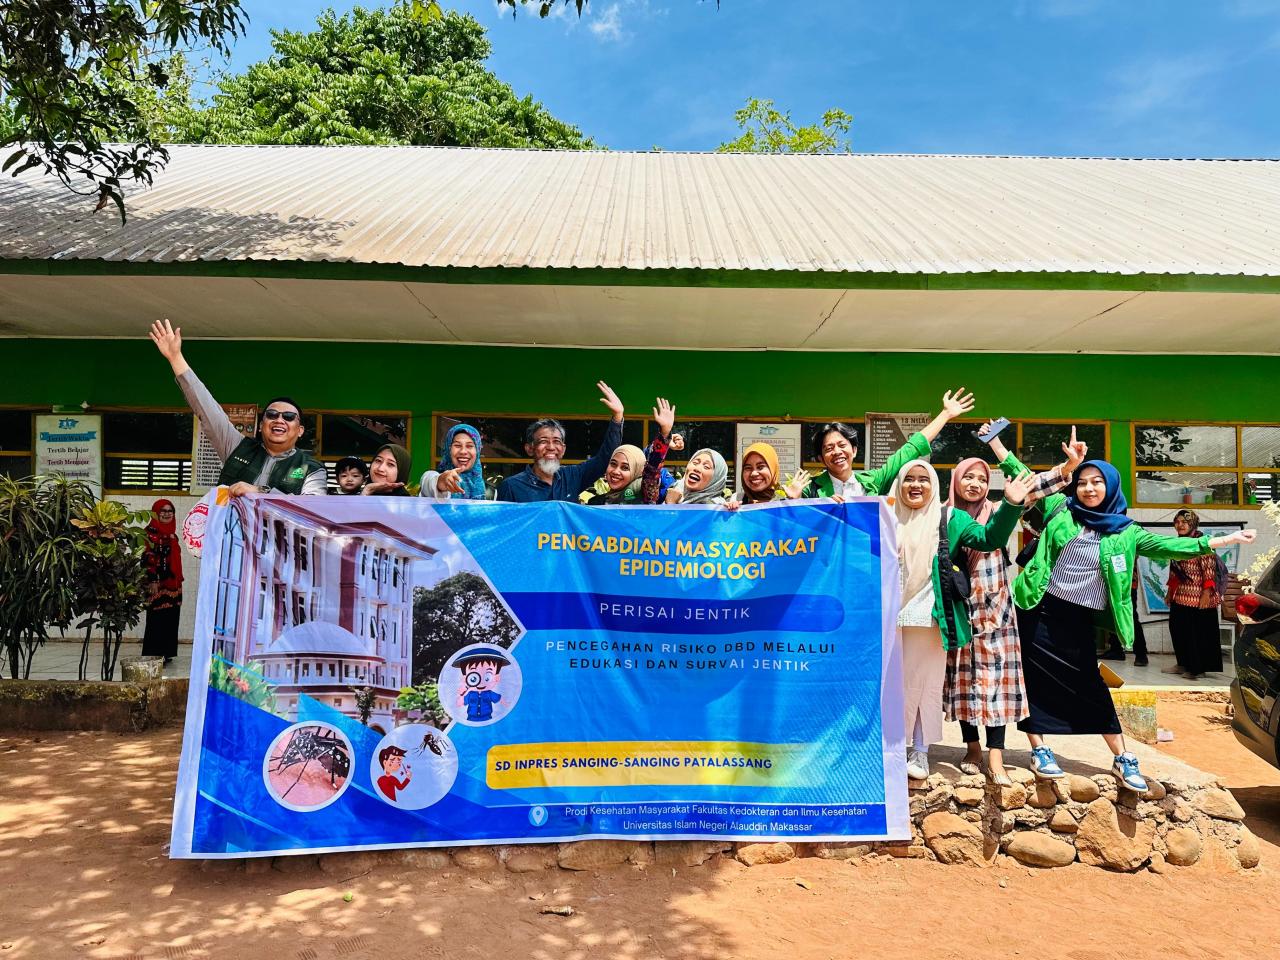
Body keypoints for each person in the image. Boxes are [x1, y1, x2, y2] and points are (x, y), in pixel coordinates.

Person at [1010, 459, 1256, 792]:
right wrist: (997, 442)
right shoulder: (1060, 510)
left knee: (1092, 686)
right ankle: (1039, 750)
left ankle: (1122, 758)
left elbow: (1170, 546)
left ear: (1110, 486)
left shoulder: (1127, 531)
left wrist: (1226, 541)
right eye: (1082, 482)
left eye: (1097, 482)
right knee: (1033, 683)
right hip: (1039, 611)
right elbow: (1023, 478)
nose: (1089, 488)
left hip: (1080, 619)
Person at [944, 426, 1085, 784]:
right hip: (958, 608)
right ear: (956, 481)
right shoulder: (943, 515)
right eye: (968, 477)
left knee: (998, 679)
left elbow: (1029, 486)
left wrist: (1066, 468)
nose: (974, 483)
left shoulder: (998, 508)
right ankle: (971, 745)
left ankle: (996, 755)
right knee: (964, 678)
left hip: (996, 606)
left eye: (980, 477)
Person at [892, 459, 1035, 781]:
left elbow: (988, 539)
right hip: (886, 618)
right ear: (899, 484)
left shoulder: (949, 518)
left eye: (923, 479)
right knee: (890, 686)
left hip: (927, 617)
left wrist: (1011, 504)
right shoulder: (886, 517)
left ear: (934, 484)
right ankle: (889, 749)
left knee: (924, 684)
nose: (916, 485)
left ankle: (919, 751)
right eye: (909, 479)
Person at [148, 319, 325, 496]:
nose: (279, 419)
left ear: (300, 430)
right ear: (261, 425)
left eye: (288, 416)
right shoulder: (237, 447)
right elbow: (207, 409)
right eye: (271, 415)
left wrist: (259, 491)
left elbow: (312, 511)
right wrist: (175, 358)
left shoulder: (311, 468)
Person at [793, 388, 977, 500]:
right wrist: (793, 500)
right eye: (828, 448)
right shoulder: (811, 488)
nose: (837, 452)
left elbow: (910, 449)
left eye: (842, 445)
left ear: (854, 450)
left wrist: (945, 415)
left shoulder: (874, 481)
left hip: (866, 560)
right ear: (820, 458)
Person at [497, 381, 626, 503]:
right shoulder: (511, 486)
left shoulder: (572, 477)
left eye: (556, 441)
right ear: (529, 448)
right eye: (543, 441)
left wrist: (618, 416)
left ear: (563, 449)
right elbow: (505, 525)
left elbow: (604, 459)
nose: (551, 447)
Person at [1166, 509, 1227, 680]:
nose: (1180, 525)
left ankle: (1197, 668)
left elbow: (1209, 571)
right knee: (1177, 629)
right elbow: (1174, 572)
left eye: (1184, 522)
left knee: (1196, 633)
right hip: (1181, 595)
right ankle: (1182, 663)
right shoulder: (1177, 543)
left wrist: (1206, 595)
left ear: (1192, 523)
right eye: (1177, 522)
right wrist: (1170, 593)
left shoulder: (1202, 542)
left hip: (1199, 596)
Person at [583, 398, 677, 505]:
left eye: (625, 467)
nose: (616, 471)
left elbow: (652, 470)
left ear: (637, 471)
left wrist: (664, 433)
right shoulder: (595, 503)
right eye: (613, 464)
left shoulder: (643, 493)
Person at [141, 499, 183, 665]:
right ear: (156, 513)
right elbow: (147, 557)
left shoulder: (173, 535)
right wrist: (152, 580)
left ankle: (167, 652)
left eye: (170, 511)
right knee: (156, 618)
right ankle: (154, 653)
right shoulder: (149, 533)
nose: (166, 514)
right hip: (157, 583)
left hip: (173, 584)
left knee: (171, 618)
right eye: (163, 511)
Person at [421, 424, 487, 500]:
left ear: (477, 451)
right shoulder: (429, 477)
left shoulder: (489, 491)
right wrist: (442, 481)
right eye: (457, 445)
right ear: (449, 449)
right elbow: (431, 483)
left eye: (469, 446)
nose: (463, 451)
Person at [666, 448, 730, 505]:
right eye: (695, 463)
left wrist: (671, 505)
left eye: (706, 467)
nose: (697, 469)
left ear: (716, 479)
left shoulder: (717, 508)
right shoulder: (674, 490)